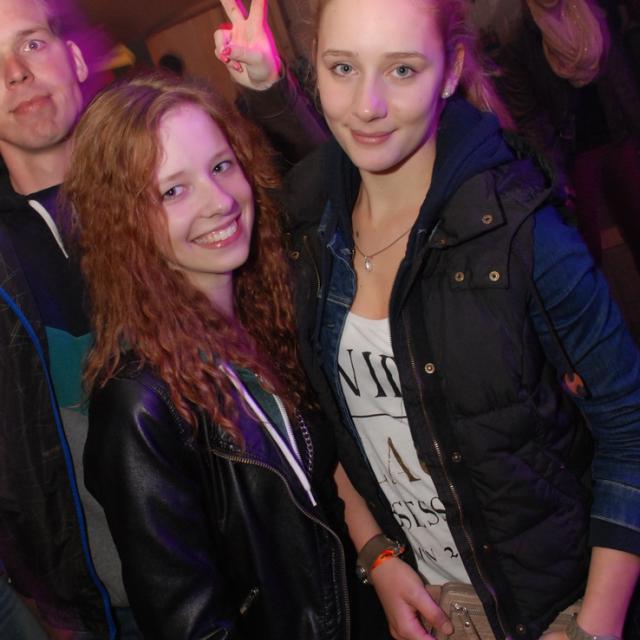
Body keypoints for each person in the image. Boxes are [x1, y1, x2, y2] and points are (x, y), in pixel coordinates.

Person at [214, 0, 640, 639]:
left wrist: (593, 625)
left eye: (403, 70)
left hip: (555, 608)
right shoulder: (311, 237)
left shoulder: (522, 230)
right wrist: (378, 556)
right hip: (434, 614)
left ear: (451, 71)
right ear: (315, 68)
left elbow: (629, 426)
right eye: (343, 68)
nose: (368, 106)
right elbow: (325, 422)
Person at [63, 72, 352, 640]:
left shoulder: (266, 315)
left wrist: (378, 559)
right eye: (172, 191)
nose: (219, 202)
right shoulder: (139, 405)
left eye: (221, 166)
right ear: (124, 223)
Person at [0, 0, 140, 636]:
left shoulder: (169, 189)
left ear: (77, 59)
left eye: (31, 43)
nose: (16, 72)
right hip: (96, 612)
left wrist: (271, 97)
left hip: (239, 568)